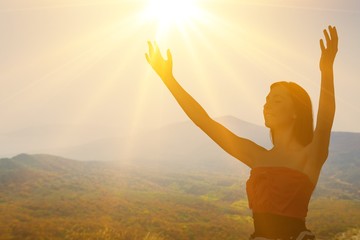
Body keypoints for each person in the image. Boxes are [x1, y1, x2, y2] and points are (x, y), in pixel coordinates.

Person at [145, 25, 338, 240]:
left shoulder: (310, 156)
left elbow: (325, 120)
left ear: (296, 112)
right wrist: (168, 79)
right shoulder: (257, 155)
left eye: (277, 100)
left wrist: (327, 69)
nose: (267, 105)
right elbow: (203, 121)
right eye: (266, 100)